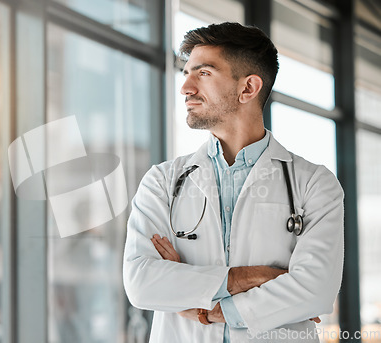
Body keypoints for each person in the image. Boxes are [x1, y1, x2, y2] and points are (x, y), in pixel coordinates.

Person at [123, 22, 344, 343]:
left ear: (248, 88)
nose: (185, 87)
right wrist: (250, 278)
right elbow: (141, 283)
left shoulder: (314, 183)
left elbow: (315, 289)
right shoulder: (162, 181)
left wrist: (204, 307)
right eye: (186, 73)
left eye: (203, 73)